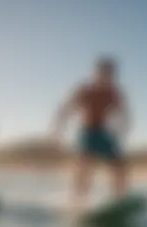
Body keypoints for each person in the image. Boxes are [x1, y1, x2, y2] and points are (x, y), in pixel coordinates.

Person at [51, 57, 132, 205]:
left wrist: (122, 133)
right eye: (103, 73)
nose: (106, 78)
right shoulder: (85, 90)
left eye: (110, 74)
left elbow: (125, 115)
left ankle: (120, 200)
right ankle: (77, 199)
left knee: (120, 165)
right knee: (85, 164)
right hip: (87, 132)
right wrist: (57, 129)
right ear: (96, 73)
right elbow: (66, 109)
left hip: (105, 133)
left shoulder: (114, 93)